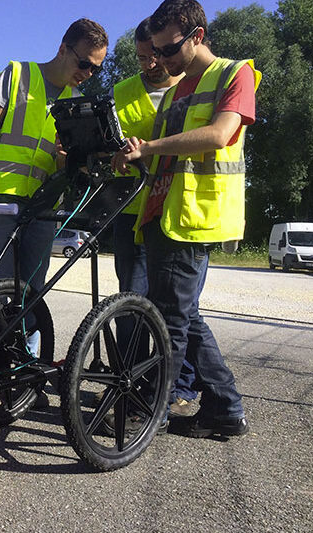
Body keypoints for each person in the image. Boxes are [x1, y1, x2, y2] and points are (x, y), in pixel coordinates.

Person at [112, 0, 261, 438]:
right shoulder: (180, 88)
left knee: (170, 321)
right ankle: (225, 409)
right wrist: (126, 155)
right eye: (155, 50)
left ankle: (146, 412)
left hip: (195, 215)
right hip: (163, 212)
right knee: (184, 314)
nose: (161, 60)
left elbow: (218, 134)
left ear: (196, 36)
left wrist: (150, 149)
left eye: (169, 50)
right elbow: (156, 151)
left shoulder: (237, 74)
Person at [0, 18, 108, 297]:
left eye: (97, 68)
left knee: (32, 294)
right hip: (2, 199)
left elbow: (65, 168)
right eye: (84, 64)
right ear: (62, 49)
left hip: (45, 206)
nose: (89, 73)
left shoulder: (77, 101)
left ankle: (29, 343)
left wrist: (64, 160)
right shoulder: (18, 74)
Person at [110, 18, 197, 416]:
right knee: (131, 302)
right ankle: (125, 383)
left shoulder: (191, 84)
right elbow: (113, 153)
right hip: (131, 209)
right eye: (143, 57)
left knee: (175, 308)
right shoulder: (122, 92)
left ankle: (177, 386)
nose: (150, 64)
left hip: (176, 207)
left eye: (157, 55)